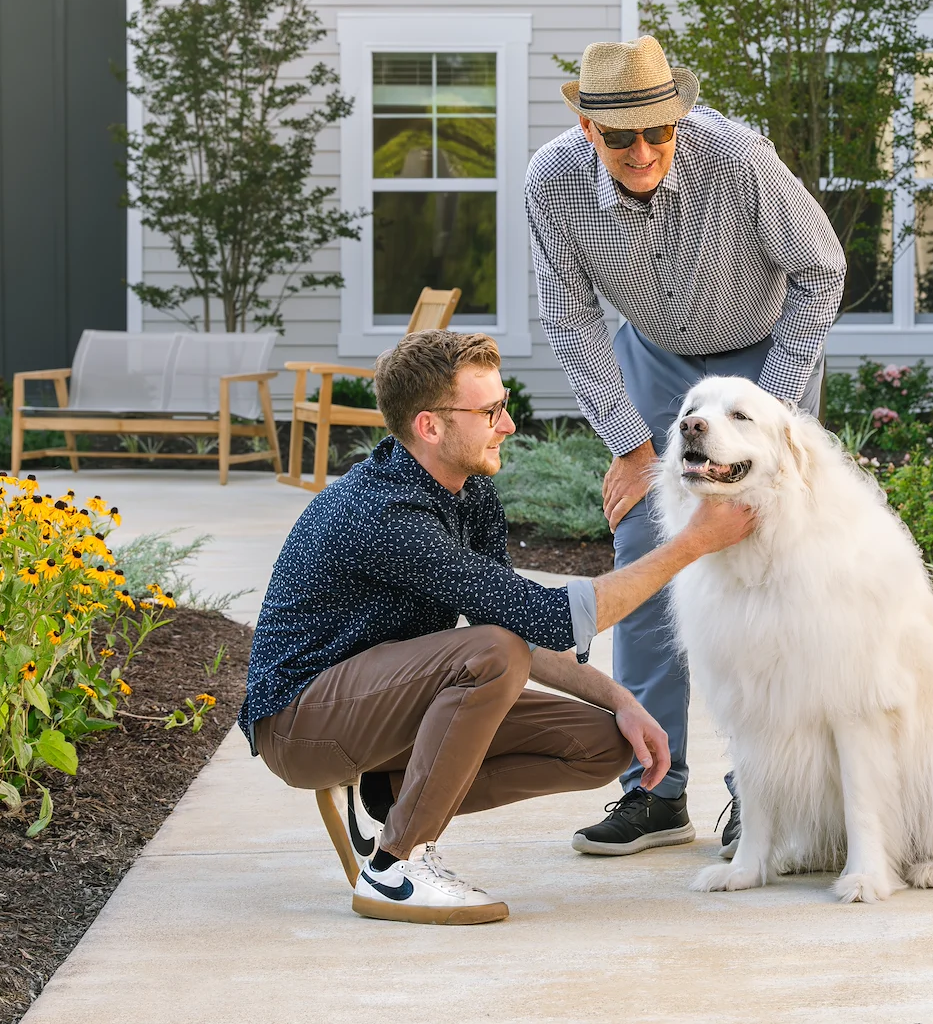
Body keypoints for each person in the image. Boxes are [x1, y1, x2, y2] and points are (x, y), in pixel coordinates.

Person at [239, 330, 754, 925]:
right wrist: (694, 541)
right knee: (491, 652)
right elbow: (542, 622)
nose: (508, 425)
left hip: (384, 706)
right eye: (490, 412)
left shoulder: (470, 492)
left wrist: (622, 702)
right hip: (301, 725)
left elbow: (515, 629)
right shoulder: (385, 512)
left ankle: (385, 794)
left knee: (606, 744)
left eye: (503, 406)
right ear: (430, 426)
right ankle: (397, 867)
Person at [524, 35, 846, 857]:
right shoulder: (552, 182)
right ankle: (654, 790)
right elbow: (568, 316)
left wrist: (767, 409)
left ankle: (762, 793)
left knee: (765, 563)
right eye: (621, 137)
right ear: (588, 131)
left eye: (658, 132)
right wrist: (631, 444)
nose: (643, 151)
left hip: (761, 355)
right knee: (646, 544)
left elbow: (821, 267)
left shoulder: (739, 158)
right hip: (657, 356)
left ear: (679, 117)